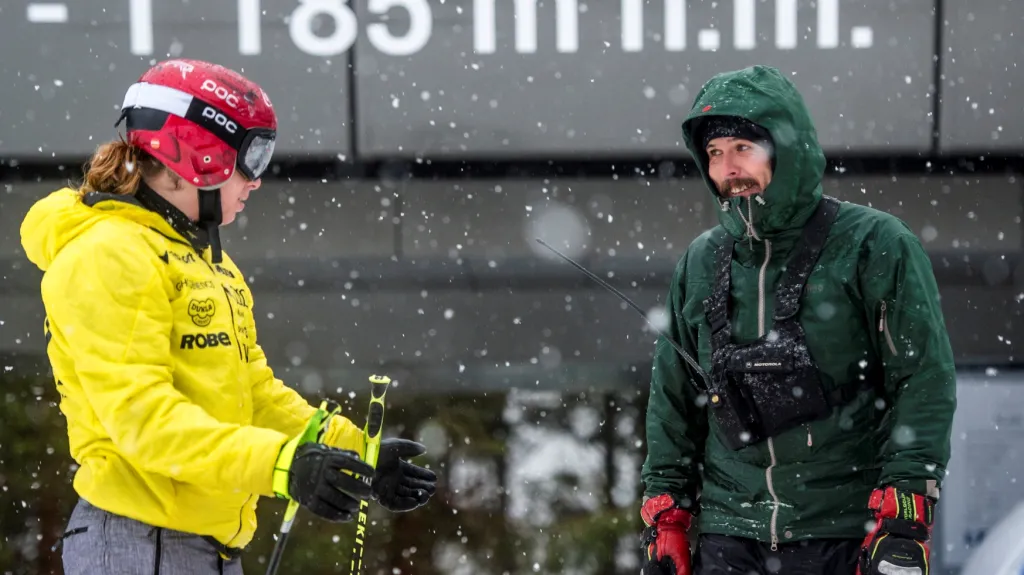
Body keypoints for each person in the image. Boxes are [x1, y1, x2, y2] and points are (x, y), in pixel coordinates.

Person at [20, 59, 437, 575]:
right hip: (139, 540)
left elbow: (254, 398)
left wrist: (359, 456)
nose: (256, 181)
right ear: (198, 154)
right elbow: (145, 422)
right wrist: (284, 465)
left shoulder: (208, 264)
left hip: (205, 547)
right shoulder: (107, 255)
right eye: (251, 157)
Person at [639, 65, 957, 575]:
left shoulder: (874, 243)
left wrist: (907, 504)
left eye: (743, 148)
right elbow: (673, 398)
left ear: (786, 149)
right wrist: (667, 510)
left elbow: (921, 377)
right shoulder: (701, 260)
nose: (728, 168)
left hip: (844, 530)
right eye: (715, 153)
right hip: (729, 536)